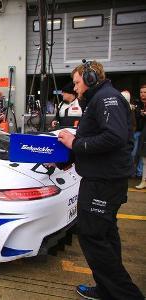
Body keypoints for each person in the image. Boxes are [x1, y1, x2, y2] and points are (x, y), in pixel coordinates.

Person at [58, 61, 144, 300]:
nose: (75, 88)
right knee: (105, 235)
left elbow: (113, 137)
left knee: (92, 236)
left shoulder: (107, 99)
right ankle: (106, 289)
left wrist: (75, 144)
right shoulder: (99, 99)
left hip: (103, 183)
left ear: (90, 78)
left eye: (76, 82)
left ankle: (127, 296)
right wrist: (70, 158)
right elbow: (98, 138)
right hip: (103, 179)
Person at [133, 85, 146, 179]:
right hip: (137, 132)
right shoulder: (136, 103)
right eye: (141, 92)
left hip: (145, 133)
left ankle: (139, 173)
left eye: (145, 92)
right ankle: (132, 172)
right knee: (133, 153)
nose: (143, 94)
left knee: (143, 155)